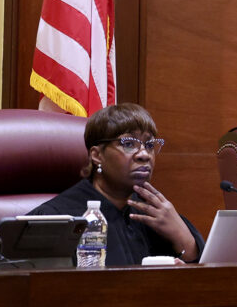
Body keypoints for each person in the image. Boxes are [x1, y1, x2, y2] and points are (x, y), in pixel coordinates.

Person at [27, 103, 204, 265]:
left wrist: (183, 237)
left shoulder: (155, 213)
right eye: (128, 144)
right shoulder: (57, 217)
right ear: (97, 156)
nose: (144, 155)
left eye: (149, 145)